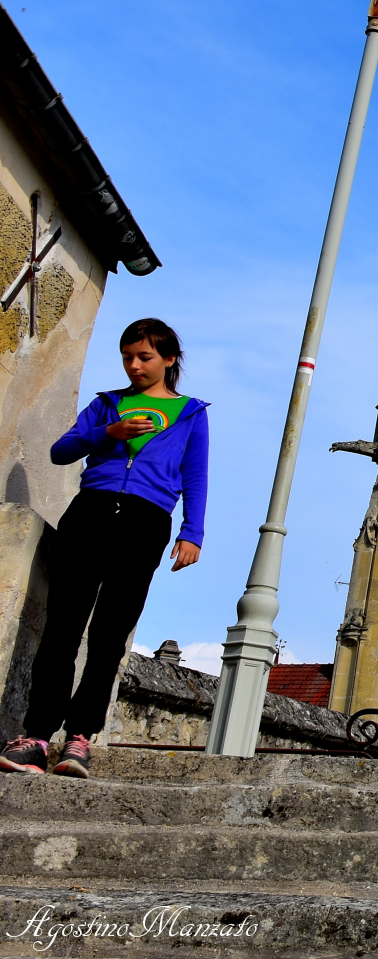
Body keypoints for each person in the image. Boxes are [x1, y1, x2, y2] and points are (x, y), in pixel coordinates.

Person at [0, 319, 208, 778]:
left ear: (169, 359)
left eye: (144, 357)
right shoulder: (106, 405)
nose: (134, 366)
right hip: (90, 513)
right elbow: (60, 451)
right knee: (62, 628)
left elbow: (195, 475)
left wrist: (192, 532)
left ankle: (79, 739)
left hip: (146, 521)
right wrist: (107, 435)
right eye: (128, 357)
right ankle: (35, 737)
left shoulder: (192, 413)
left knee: (110, 634)